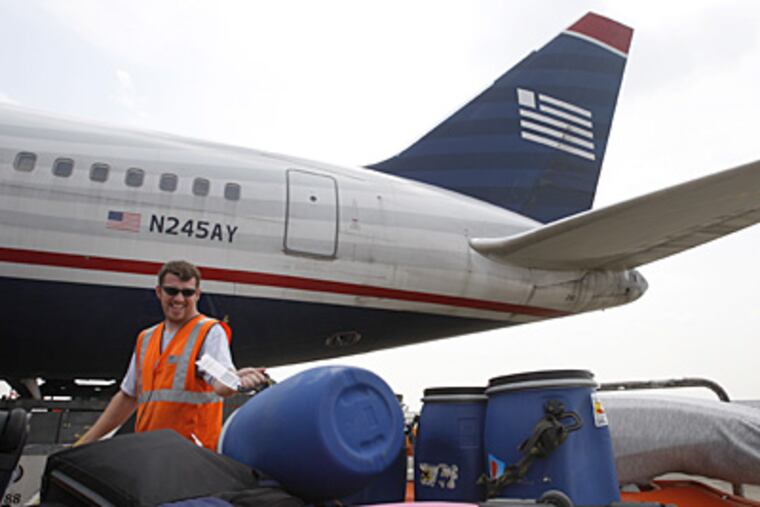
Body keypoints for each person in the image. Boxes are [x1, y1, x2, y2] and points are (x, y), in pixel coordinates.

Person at [77, 260, 268, 449]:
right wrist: (85, 441)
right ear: (159, 292)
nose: (179, 299)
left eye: (187, 293)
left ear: (197, 295)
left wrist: (234, 380)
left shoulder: (209, 331)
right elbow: (128, 396)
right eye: (172, 291)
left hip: (188, 456)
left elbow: (221, 385)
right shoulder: (146, 338)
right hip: (148, 453)